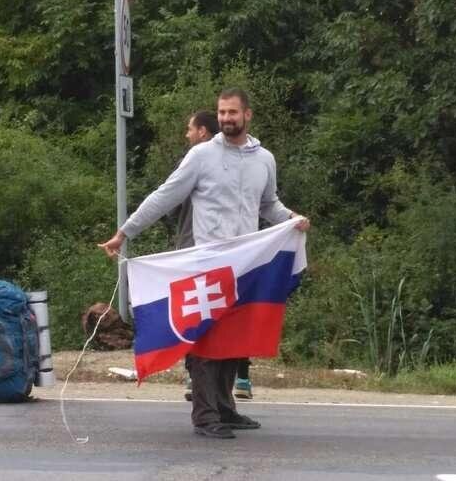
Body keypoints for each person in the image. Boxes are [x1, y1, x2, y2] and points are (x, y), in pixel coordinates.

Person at [99, 88, 310, 439]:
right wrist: (125, 232)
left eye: (232, 112)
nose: (226, 118)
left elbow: (268, 204)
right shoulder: (201, 156)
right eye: (222, 112)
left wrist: (291, 218)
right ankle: (205, 416)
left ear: (247, 115)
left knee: (233, 339)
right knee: (206, 341)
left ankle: (226, 409)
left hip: (244, 267)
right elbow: (165, 195)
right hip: (206, 265)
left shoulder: (265, 160)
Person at [175, 111, 253, 403]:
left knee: (218, 319)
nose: (187, 135)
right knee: (218, 318)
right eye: (222, 112)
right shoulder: (209, 161)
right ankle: (212, 392)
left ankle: (226, 386)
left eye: (190, 129)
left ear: (203, 132)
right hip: (213, 251)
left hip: (206, 252)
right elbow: (167, 196)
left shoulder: (201, 160)